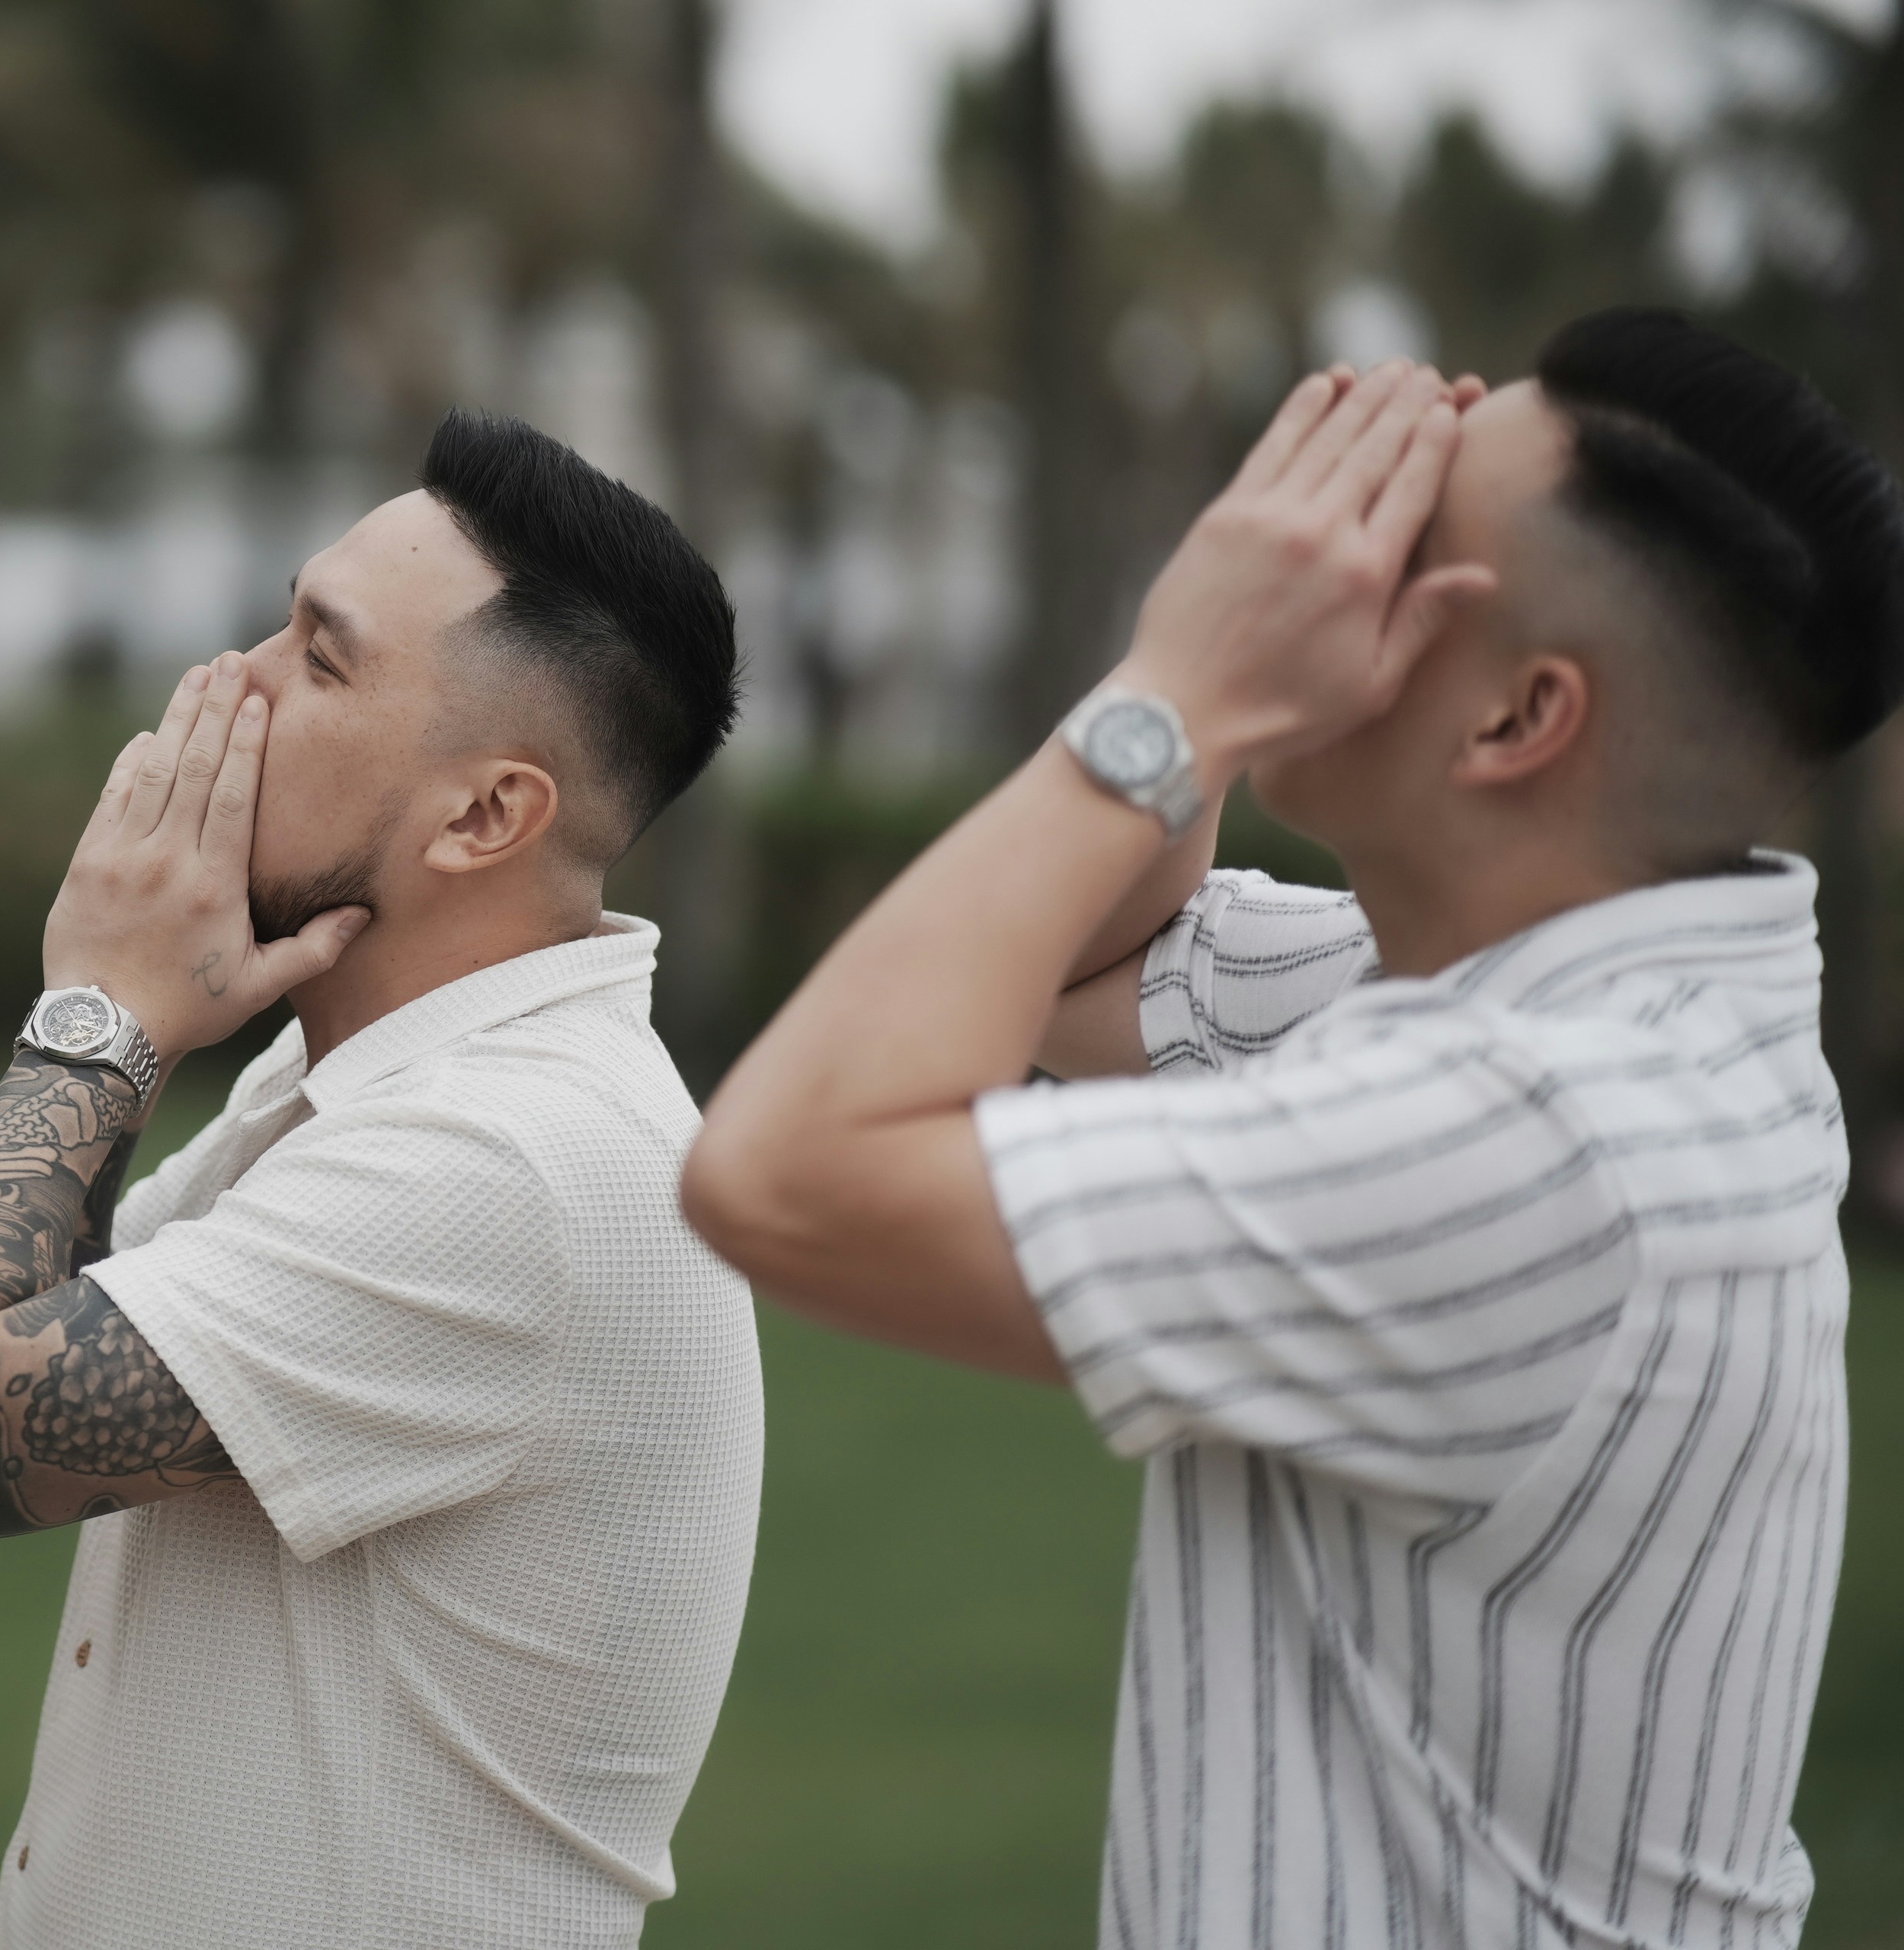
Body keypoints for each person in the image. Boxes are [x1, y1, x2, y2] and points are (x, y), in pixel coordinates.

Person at [683, 316, 1902, 1948]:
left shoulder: (1542, 1138)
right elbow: (1078, 966)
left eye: (1397, 535)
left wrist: (1182, 685)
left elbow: (787, 1171)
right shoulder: (1564, 994)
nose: (1326, 549)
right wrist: (1199, 668)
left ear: (1514, 721)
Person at [0, 412, 761, 1950]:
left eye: (318, 660)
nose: (225, 684)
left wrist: (100, 1022)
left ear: (484, 816)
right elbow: (26, 1325)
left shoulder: (505, 1160)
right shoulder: (365, 1080)